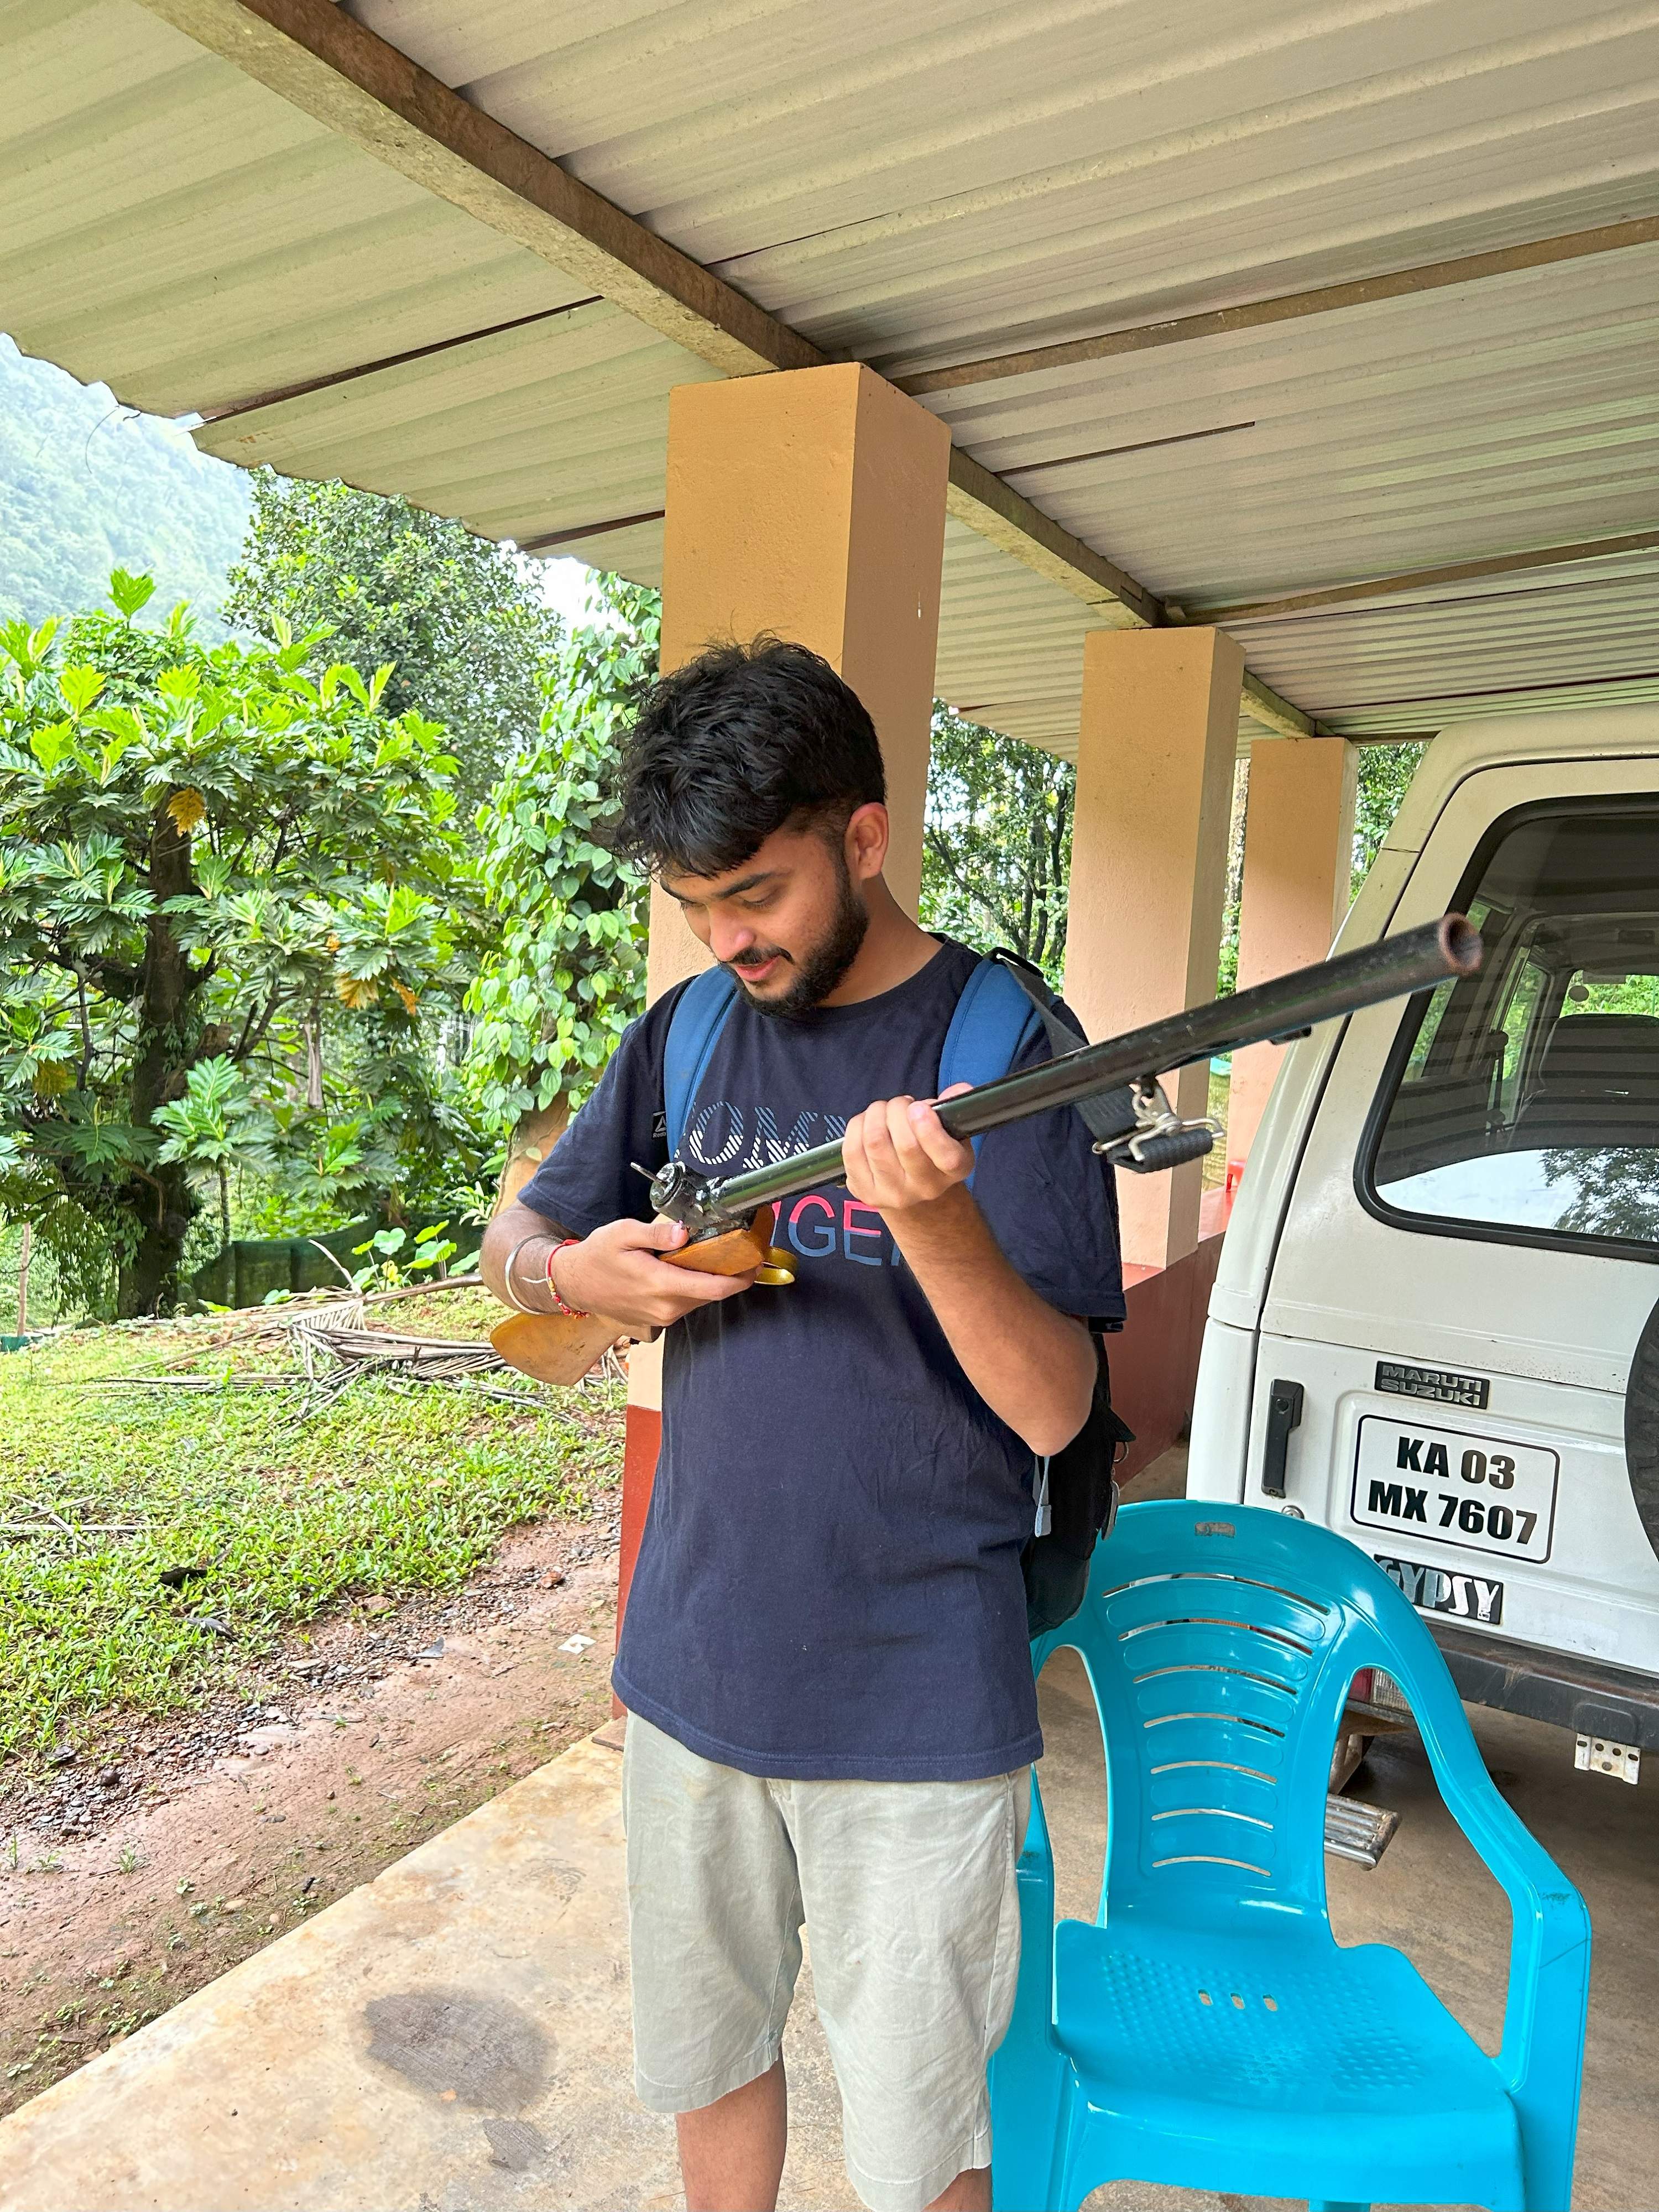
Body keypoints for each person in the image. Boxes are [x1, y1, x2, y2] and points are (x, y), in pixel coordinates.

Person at [482, 639, 1124, 2212]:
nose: (727, 937)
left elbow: (1058, 1408)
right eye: (697, 905)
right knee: (709, 2062)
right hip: (693, 1667)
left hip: (913, 1708)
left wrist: (940, 1227)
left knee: (923, 2142)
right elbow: (514, 1249)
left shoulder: (1003, 1054)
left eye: (756, 894)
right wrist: (577, 1266)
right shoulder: (692, 1030)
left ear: (863, 838)